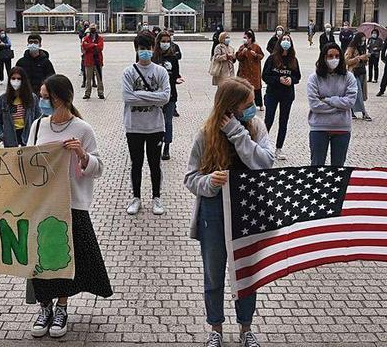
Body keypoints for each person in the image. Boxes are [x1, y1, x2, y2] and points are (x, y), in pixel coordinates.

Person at [184, 76, 274, 347]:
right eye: (247, 104)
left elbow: (265, 163)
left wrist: (238, 133)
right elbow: (190, 178)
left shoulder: (256, 127)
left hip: (248, 211)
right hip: (213, 213)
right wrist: (209, 182)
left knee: (247, 273)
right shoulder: (206, 133)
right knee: (214, 274)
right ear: (230, 106)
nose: (253, 107)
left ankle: (246, 328)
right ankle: (216, 328)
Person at [27, 74, 112, 339]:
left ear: (60, 99)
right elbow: (26, 159)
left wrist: (82, 155)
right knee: (40, 258)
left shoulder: (82, 129)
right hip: (41, 204)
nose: (41, 102)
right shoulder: (38, 125)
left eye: (45, 98)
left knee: (64, 257)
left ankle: (62, 306)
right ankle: (44, 307)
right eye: (41, 97)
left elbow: (97, 168)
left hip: (71, 204)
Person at [123, 33, 171, 216]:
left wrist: (139, 97)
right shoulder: (128, 72)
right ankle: (136, 197)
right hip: (133, 126)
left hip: (155, 127)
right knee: (136, 163)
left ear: (153, 49)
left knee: (154, 164)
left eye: (148, 48)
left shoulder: (160, 72)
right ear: (136, 49)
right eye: (141, 48)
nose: (145, 52)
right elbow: (127, 98)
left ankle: (156, 198)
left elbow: (165, 98)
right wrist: (154, 98)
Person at [306, 43, 358, 166]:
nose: (334, 59)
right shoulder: (314, 78)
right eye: (330, 56)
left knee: (338, 168)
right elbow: (314, 105)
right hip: (319, 128)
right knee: (316, 166)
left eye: (337, 56)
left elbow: (350, 102)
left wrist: (327, 100)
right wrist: (339, 106)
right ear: (323, 57)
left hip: (342, 128)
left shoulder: (349, 77)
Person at [262, 32, 301, 161]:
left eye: (288, 39)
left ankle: (279, 148)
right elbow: (265, 76)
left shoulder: (293, 60)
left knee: (283, 122)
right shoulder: (272, 58)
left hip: (287, 95)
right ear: (279, 43)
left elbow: (297, 76)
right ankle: (263, 146)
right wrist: (278, 79)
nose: (286, 41)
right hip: (272, 93)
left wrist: (291, 80)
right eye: (283, 39)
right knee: (268, 120)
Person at [0, 66, 40, 147]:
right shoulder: (2, 100)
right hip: (10, 136)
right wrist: (1, 135)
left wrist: (36, 134)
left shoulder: (32, 98)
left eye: (19, 78)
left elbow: (38, 117)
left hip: (28, 134)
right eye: (13, 78)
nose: (16, 81)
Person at [153, 31, 182, 161]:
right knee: (157, 122)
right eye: (163, 41)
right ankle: (157, 144)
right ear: (158, 42)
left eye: (167, 41)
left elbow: (176, 74)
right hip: (155, 95)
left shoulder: (173, 58)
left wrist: (177, 79)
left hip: (170, 94)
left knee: (168, 122)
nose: (165, 43)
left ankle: (166, 147)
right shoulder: (154, 58)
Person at [344, 32, 372, 121]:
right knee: (358, 92)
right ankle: (364, 112)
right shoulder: (351, 48)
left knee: (359, 92)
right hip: (353, 72)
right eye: (362, 40)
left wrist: (366, 58)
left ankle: (352, 110)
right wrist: (359, 58)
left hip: (362, 72)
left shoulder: (363, 48)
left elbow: (364, 61)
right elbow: (347, 61)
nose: (363, 42)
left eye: (364, 40)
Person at [236, 30, 265, 111]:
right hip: (244, 71)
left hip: (254, 71)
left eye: (246, 38)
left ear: (250, 39)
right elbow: (238, 58)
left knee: (256, 88)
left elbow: (261, 55)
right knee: (245, 88)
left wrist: (255, 55)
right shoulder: (242, 47)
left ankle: (259, 104)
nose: (244, 39)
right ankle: (244, 104)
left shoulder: (256, 47)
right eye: (243, 37)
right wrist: (242, 53)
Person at [81, 23, 105, 100]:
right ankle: (87, 93)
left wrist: (90, 45)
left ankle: (100, 93)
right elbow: (85, 46)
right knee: (88, 78)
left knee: (99, 78)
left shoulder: (100, 38)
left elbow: (100, 47)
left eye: (94, 28)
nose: (92, 30)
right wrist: (94, 45)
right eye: (91, 28)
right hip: (89, 61)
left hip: (98, 60)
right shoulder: (86, 38)